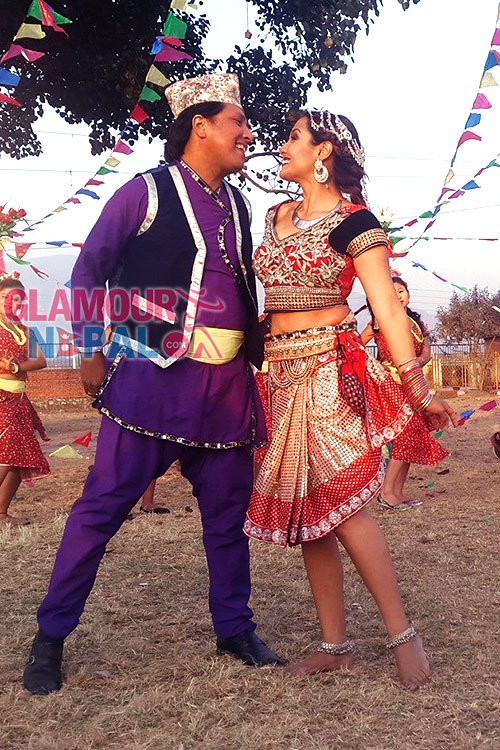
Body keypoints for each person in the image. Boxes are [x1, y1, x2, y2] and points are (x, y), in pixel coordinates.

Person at [23, 73, 283, 696]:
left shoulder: (239, 204)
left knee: (228, 518)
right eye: (238, 122)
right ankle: (50, 638)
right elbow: (89, 271)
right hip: (150, 381)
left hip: (225, 390)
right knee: (100, 510)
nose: (248, 134)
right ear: (201, 126)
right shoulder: (143, 192)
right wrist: (89, 351)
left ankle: (235, 629)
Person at [244, 110, 457, 689]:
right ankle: (334, 646)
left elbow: (386, 310)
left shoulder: (355, 223)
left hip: (327, 372)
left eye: (293, 137)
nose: (281, 145)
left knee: (344, 508)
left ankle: (402, 635)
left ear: (323, 151)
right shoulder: (274, 215)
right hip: (278, 374)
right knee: (310, 516)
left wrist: (417, 389)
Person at [360, 275, 448, 509]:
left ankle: (397, 493)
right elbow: (357, 345)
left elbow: (426, 351)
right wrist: (374, 364)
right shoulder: (379, 321)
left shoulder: (416, 322)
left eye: (401, 291)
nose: (398, 295)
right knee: (406, 436)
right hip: (392, 386)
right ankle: (386, 493)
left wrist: (418, 362)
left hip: (413, 385)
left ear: (408, 294)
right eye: (393, 291)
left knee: (411, 437)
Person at [0, 273, 50, 527]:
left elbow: (41, 360)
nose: (12, 303)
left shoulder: (25, 330)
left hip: (19, 399)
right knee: (6, 455)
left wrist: (16, 366)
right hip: (1, 398)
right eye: (5, 297)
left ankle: (1, 514)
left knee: (22, 458)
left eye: (17, 299)